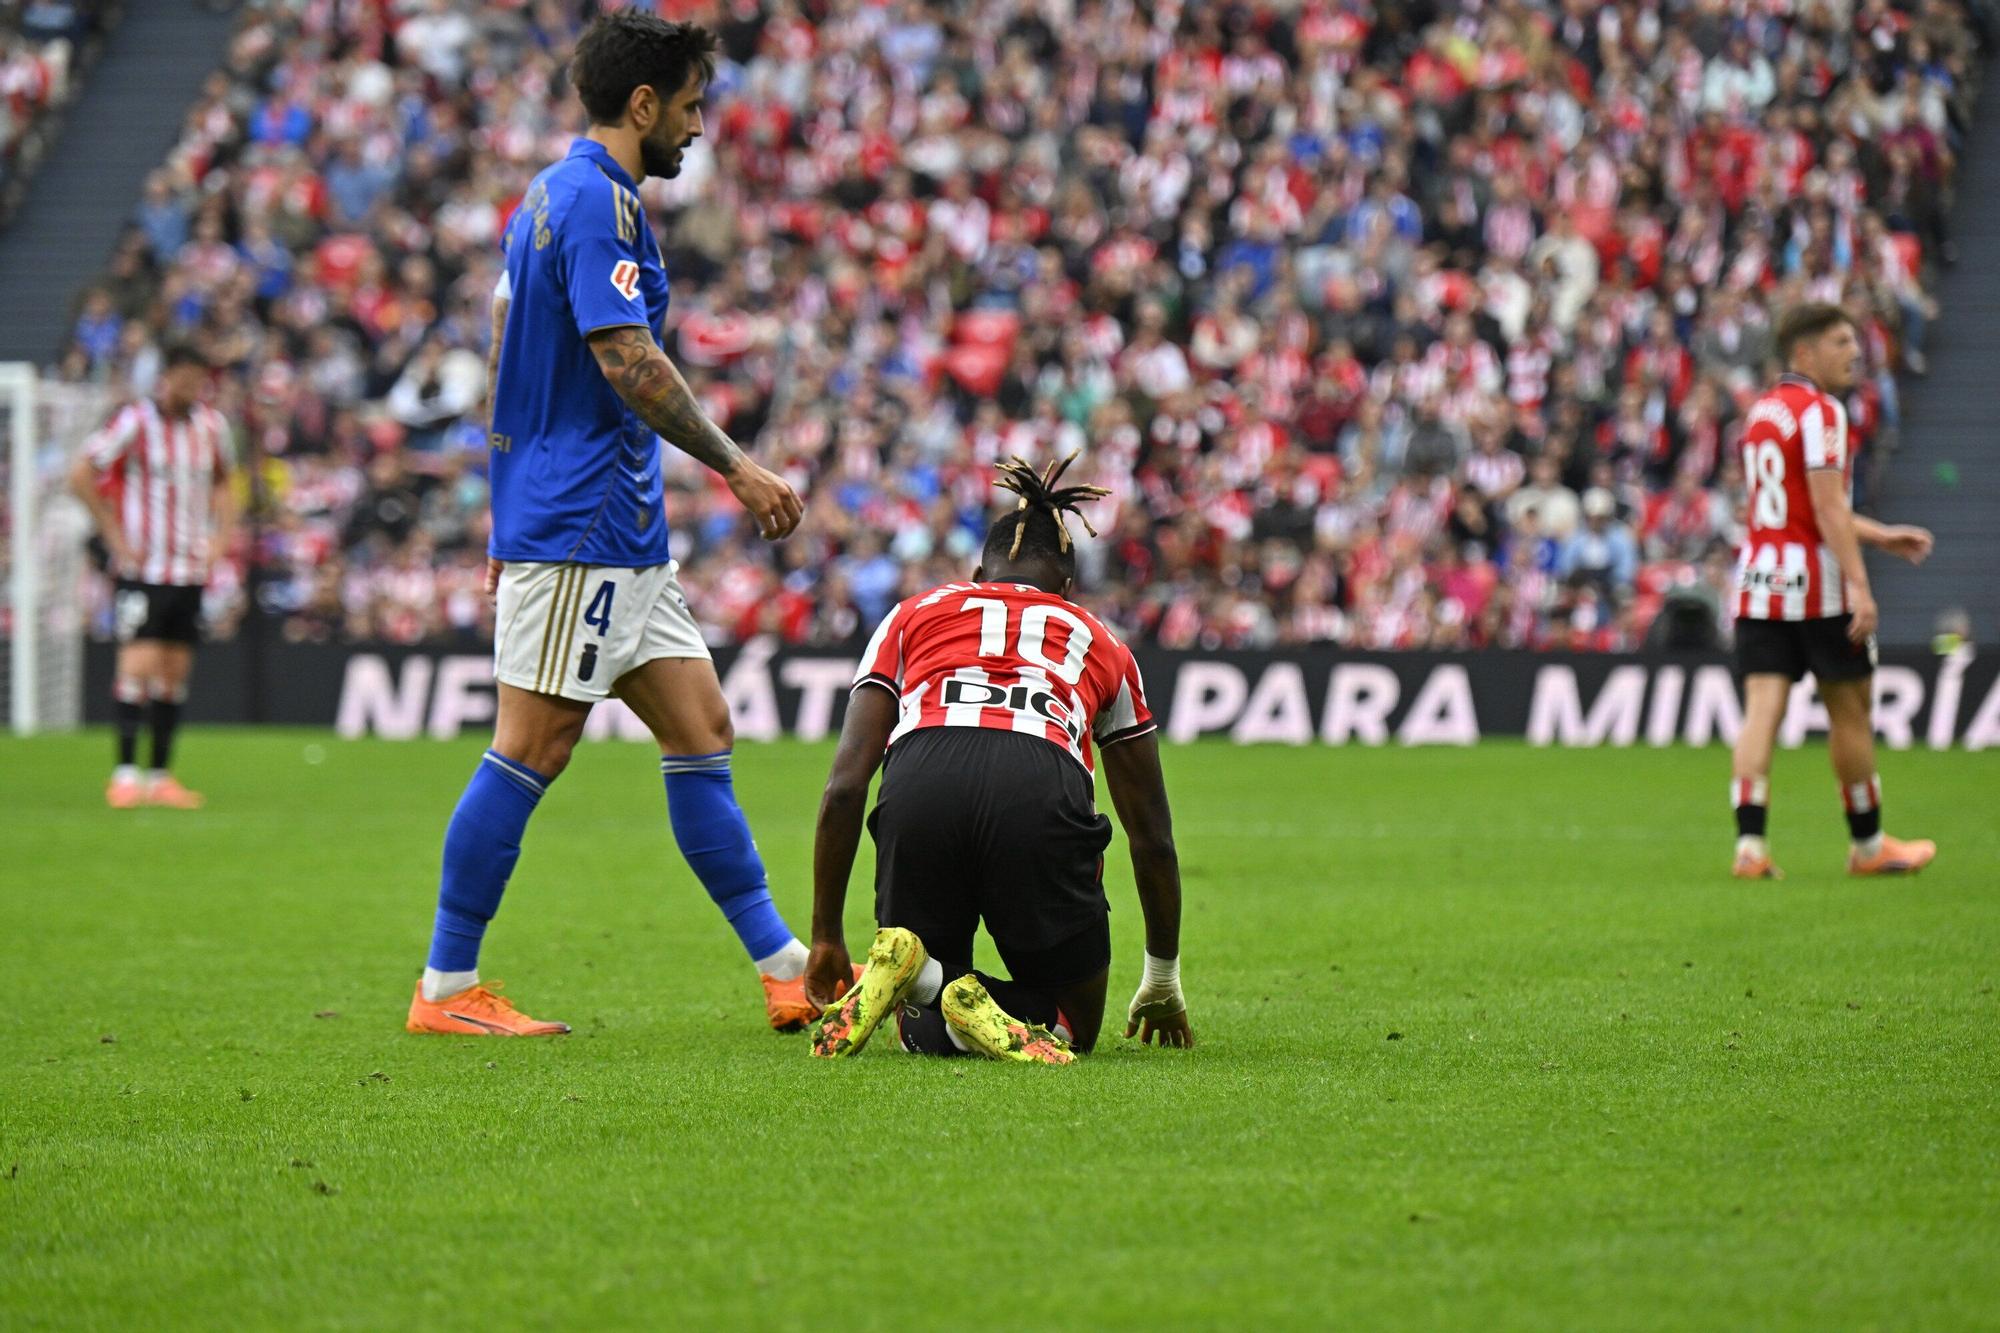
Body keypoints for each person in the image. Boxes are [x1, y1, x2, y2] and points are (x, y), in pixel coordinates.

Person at [406, 13, 826, 1039]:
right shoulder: (597, 204)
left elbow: (511, 337)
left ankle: (784, 972)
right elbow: (625, 358)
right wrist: (737, 465)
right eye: (688, 107)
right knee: (532, 745)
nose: (695, 127)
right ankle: (446, 987)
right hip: (581, 521)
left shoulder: (546, 197)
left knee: (700, 732)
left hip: (611, 527)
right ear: (643, 104)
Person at [802, 457, 1192, 1065]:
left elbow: (845, 787)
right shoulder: (1102, 641)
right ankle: (937, 986)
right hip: (1038, 782)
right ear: (1066, 591)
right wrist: (1162, 977)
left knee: (913, 1018)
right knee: (1069, 1027)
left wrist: (827, 933)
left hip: (920, 782)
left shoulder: (911, 614)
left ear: (978, 574)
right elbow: (1153, 837)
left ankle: (922, 978)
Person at [1728, 303, 1937, 880]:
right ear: (1804, 353)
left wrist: (1879, 535)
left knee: (1761, 712)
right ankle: (1869, 848)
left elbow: (1792, 508)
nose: (1855, 352)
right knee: (1850, 712)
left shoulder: (1761, 414)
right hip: (1818, 589)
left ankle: (1750, 848)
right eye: (1841, 342)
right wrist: (1862, 587)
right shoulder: (1822, 412)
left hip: (1758, 582)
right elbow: (1824, 509)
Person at [69, 343, 233, 810]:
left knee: (174, 673)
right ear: (166, 377)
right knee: (137, 666)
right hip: (143, 568)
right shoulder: (135, 422)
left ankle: (161, 776)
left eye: (199, 379)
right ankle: (124, 775)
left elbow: (225, 482)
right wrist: (114, 536)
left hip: (189, 570)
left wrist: (220, 540)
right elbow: (81, 472)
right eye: (184, 377)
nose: (192, 387)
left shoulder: (211, 427)